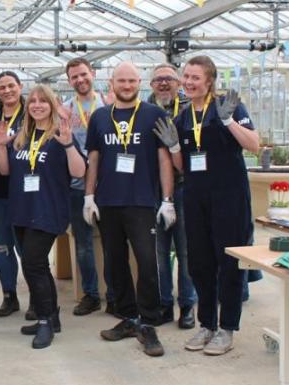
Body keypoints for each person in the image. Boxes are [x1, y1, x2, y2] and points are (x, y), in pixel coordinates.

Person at [153, 55, 259, 356]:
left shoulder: (229, 106)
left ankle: (227, 328)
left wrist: (228, 122)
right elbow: (184, 167)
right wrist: (174, 147)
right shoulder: (183, 116)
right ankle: (207, 324)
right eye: (185, 76)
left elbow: (253, 144)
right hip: (196, 197)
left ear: (209, 80)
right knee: (199, 263)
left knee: (229, 263)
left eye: (194, 77)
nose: (188, 82)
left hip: (230, 197)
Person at [83, 62, 174, 357]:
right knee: (115, 262)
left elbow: (163, 160)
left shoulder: (154, 115)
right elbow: (93, 159)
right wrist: (89, 195)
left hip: (142, 201)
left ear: (139, 83)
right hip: (109, 202)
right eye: (121, 80)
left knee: (147, 263)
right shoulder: (99, 117)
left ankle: (148, 323)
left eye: (132, 80)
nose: (126, 85)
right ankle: (128, 316)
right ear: (112, 82)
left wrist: (168, 199)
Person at [0, 84, 86, 349]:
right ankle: (52, 316)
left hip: (48, 210)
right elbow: (4, 171)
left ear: (52, 104)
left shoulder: (60, 134)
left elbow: (79, 171)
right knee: (38, 266)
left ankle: (45, 321)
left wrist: (69, 144)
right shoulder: (22, 137)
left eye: (42, 101)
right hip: (23, 210)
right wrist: (1, 147)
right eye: (32, 101)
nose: (36, 105)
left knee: (33, 264)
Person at [60, 57, 115, 317]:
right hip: (77, 186)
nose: (80, 80)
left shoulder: (109, 104)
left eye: (83, 74)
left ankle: (114, 294)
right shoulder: (66, 110)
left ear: (92, 73)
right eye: (74, 77)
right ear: (69, 81)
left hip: (108, 184)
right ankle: (90, 295)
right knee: (82, 243)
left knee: (111, 241)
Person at [147, 63, 197, 329]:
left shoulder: (190, 110)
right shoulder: (144, 111)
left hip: (184, 187)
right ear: (151, 85)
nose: (163, 83)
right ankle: (165, 303)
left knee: (186, 249)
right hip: (153, 189)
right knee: (159, 251)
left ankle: (187, 304)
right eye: (158, 80)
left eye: (169, 79)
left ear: (178, 83)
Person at [0, 71, 28, 318]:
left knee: (26, 247)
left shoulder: (31, 113)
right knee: (1, 245)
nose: (7, 90)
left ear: (20, 87)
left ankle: (36, 296)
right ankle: (9, 295)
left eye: (11, 85)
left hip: (24, 191)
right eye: (2, 87)